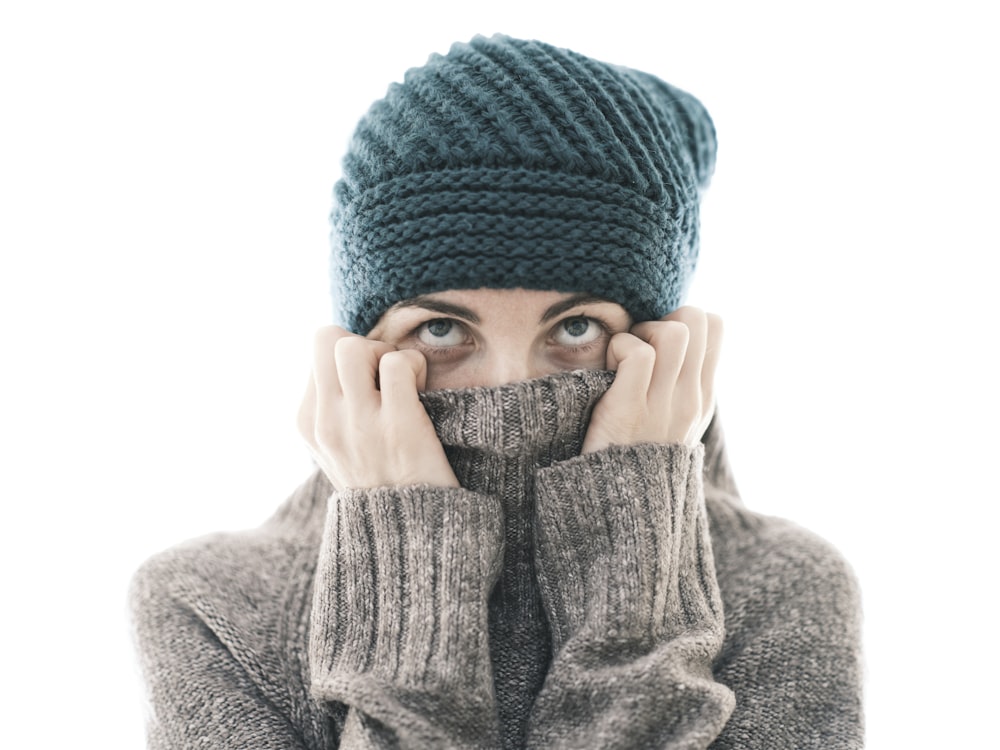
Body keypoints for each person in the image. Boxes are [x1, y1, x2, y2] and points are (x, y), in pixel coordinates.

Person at [129, 34, 863, 749]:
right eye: (443, 332)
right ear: (359, 350)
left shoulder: (783, 590)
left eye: (575, 326)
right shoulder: (210, 603)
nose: (510, 386)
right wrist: (407, 555)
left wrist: (633, 566)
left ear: (664, 346)